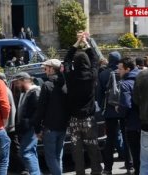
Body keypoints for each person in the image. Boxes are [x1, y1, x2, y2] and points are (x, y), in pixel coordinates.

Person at [63, 32, 103, 175]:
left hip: (74, 119)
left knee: (77, 150)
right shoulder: (92, 76)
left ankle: (80, 172)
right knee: (93, 147)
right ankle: (96, 171)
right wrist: (85, 44)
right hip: (88, 119)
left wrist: (75, 44)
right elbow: (95, 59)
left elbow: (66, 61)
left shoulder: (70, 76)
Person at [97, 51, 133, 175]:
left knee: (110, 140)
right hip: (124, 110)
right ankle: (130, 165)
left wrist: (104, 107)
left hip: (109, 112)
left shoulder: (103, 74)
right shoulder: (123, 71)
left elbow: (98, 95)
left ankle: (107, 168)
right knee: (127, 137)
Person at [33, 59, 69, 175]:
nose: (45, 70)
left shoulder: (47, 85)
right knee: (58, 156)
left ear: (52, 69)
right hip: (63, 127)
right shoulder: (65, 85)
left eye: (46, 68)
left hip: (50, 127)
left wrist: (37, 128)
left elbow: (41, 109)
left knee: (51, 158)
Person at [0, 72, 27, 174]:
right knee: (13, 146)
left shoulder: (4, 90)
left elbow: (8, 108)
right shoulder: (8, 89)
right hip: (11, 124)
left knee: (14, 146)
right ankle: (16, 167)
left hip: (10, 125)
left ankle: (23, 168)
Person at [13, 72, 41, 175]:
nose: (16, 85)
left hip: (31, 128)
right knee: (30, 152)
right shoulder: (27, 92)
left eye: (17, 82)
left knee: (26, 152)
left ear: (24, 80)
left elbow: (36, 114)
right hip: (28, 128)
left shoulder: (35, 92)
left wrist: (27, 124)